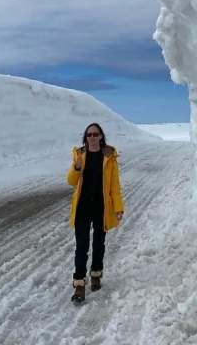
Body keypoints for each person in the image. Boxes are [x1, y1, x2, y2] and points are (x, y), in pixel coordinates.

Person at [67, 122, 124, 303]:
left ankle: (96, 274)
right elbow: (71, 181)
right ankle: (79, 285)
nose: (92, 137)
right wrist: (76, 167)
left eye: (95, 134)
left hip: (102, 207)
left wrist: (118, 207)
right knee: (81, 247)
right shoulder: (79, 156)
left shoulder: (109, 157)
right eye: (89, 134)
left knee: (99, 244)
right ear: (86, 138)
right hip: (82, 208)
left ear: (101, 136)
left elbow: (114, 184)